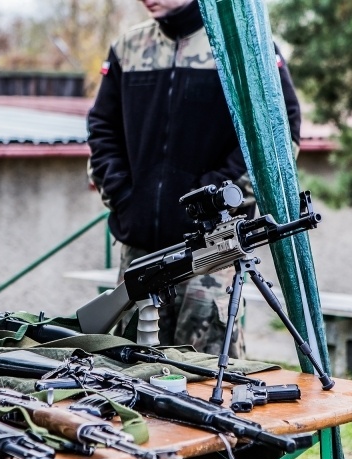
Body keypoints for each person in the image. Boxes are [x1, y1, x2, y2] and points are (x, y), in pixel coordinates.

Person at [87, 0, 301, 357]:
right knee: (128, 369)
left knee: (206, 372)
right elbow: (101, 128)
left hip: (212, 250)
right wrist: (125, 198)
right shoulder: (127, 47)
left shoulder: (242, 43)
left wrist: (215, 197)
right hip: (140, 250)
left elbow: (279, 134)